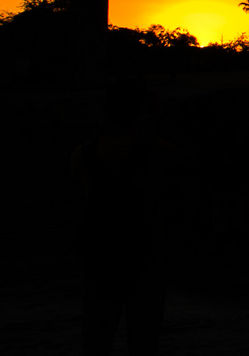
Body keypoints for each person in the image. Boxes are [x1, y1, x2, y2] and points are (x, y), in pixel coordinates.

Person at [72, 79, 172, 355]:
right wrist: (159, 116)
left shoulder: (83, 155)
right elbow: (190, 161)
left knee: (96, 338)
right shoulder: (157, 152)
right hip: (145, 254)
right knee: (144, 339)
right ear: (142, 110)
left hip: (100, 254)